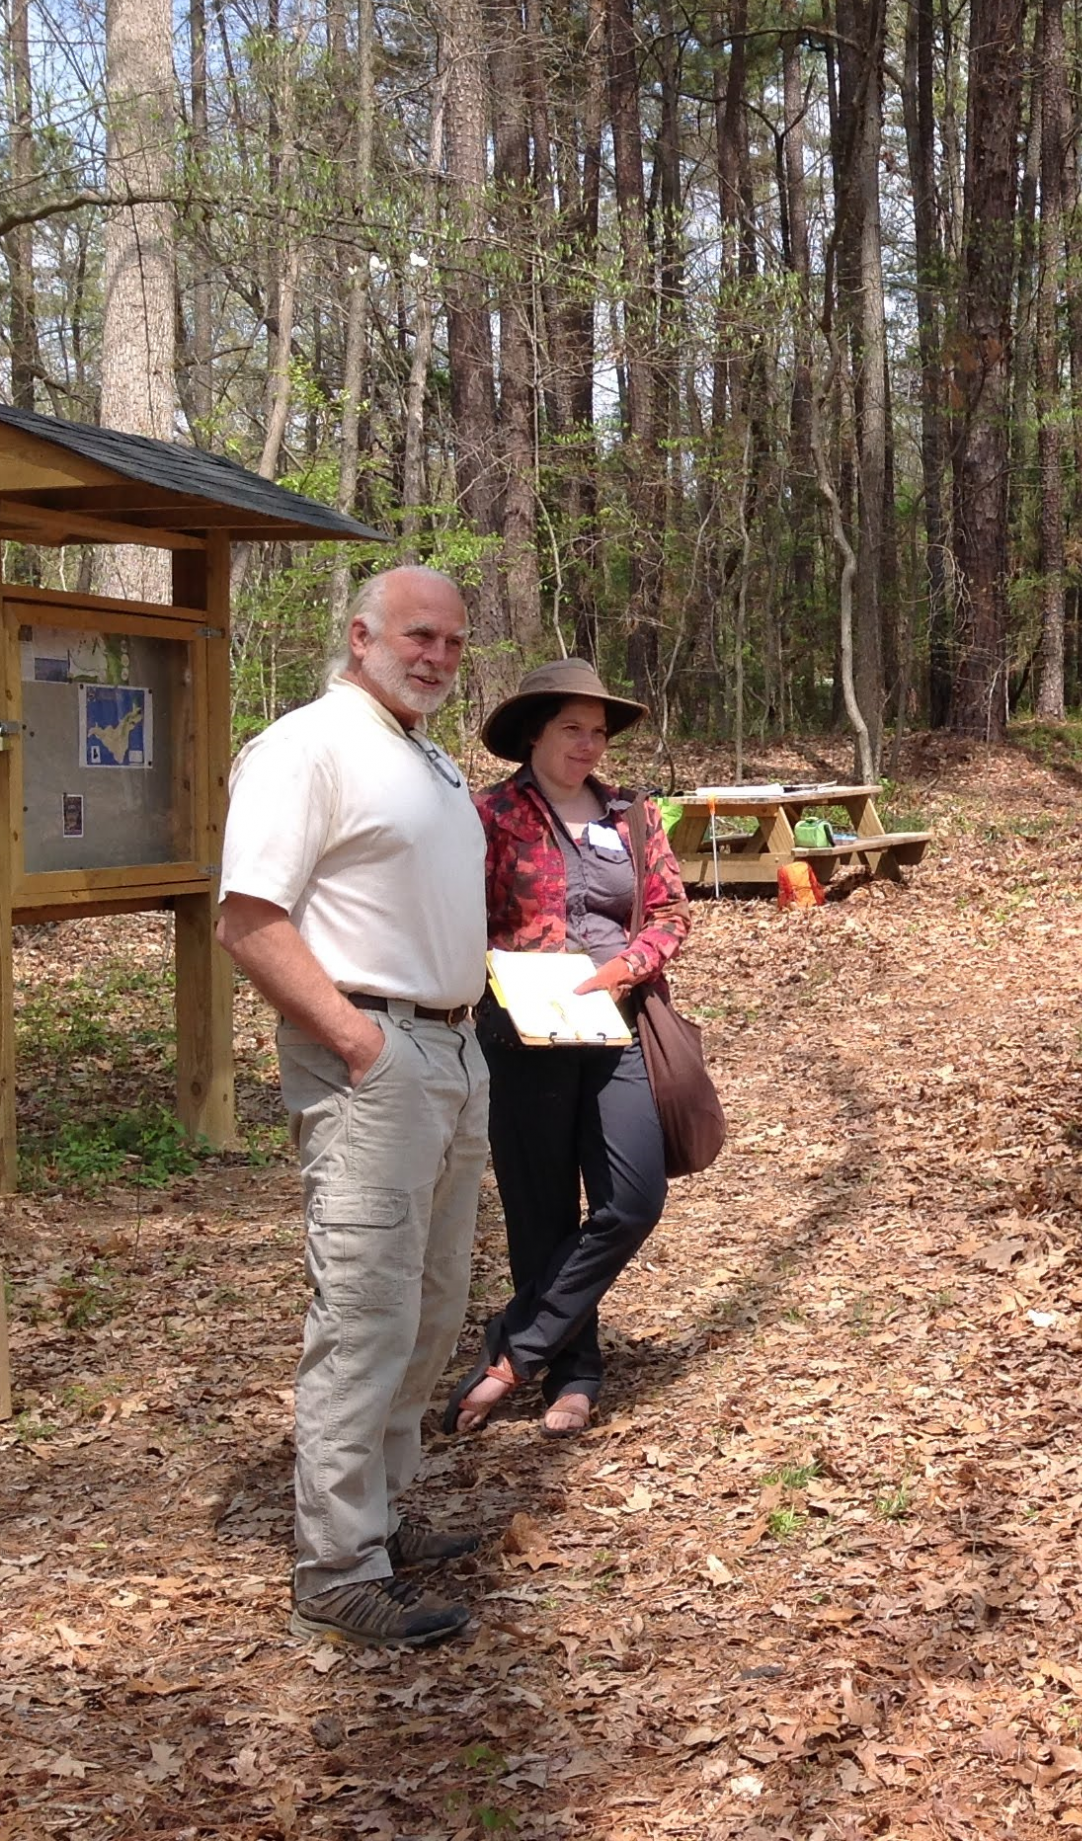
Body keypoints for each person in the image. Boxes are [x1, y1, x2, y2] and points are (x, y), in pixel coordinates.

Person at [217, 566, 491, 1651]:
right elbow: (248, 918)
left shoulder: (422, 754)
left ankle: (376, 1515)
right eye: (418, 635)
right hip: (376, 1054)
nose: (436, 655)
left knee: (430, 1305)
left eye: (454, 643)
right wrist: (359, 1042)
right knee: (365, 1313)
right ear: (361, 634)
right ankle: (336, 1564)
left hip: (455, 1048)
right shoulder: (307, 745)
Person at [447, 659, 690, 1437]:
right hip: (520, 1033)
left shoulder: (631, 815)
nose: (589, 745)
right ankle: (574, 1373)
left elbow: (671, 911)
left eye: (598, 731)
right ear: (533, 734)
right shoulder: (486, 816)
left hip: (617, 1027)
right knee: (539, 1211)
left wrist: (626, 967)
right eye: (571, 729)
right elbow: (456, 917)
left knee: (631, 1199)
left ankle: (516, 1349)